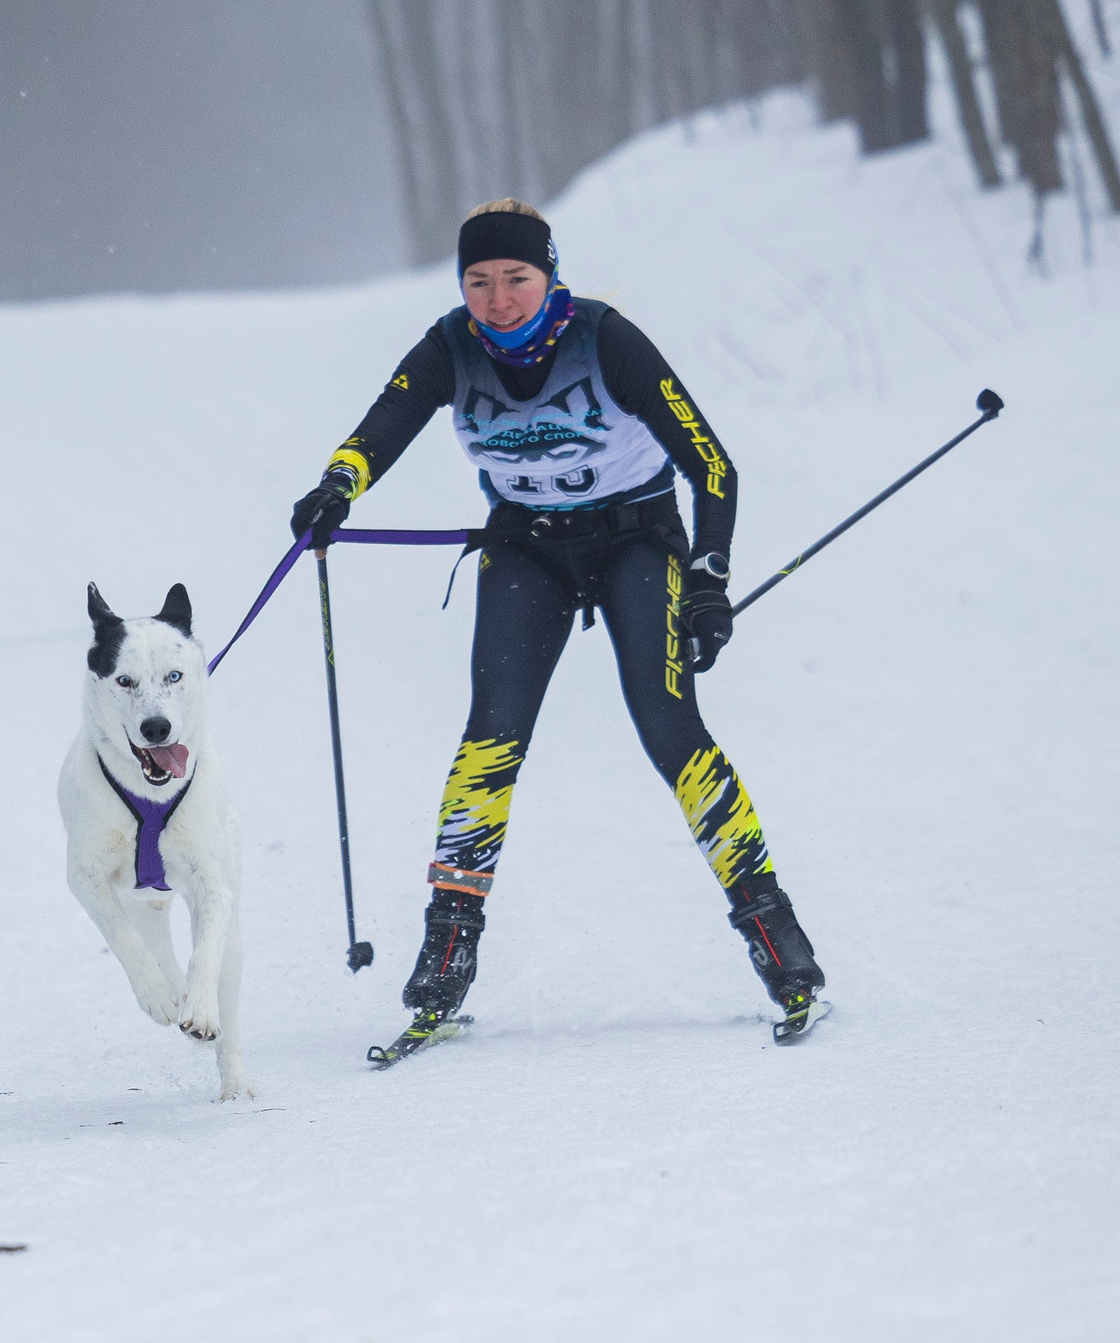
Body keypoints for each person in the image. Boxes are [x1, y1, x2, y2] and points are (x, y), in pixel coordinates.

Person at [288, 199, 825, 1047]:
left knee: (670, 728)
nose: (497, 300)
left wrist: (711, 578)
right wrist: (336, 488)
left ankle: (774, 935)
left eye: (516, 279)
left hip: (637, 540)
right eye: (479, 281)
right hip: (527, 548)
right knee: (490, 734)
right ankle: (447, 951)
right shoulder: (449, 347)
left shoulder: (606, 338)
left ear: (549, 276)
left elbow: (712, 465)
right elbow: (379, 428)